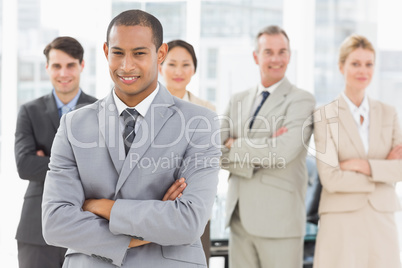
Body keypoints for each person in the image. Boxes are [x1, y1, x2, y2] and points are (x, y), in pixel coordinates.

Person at [41, 9, 221, 268]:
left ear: (160, 54)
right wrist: (142, 234)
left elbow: (189, 222)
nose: (126, 65)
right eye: (118, 53)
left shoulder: (199, 123)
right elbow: (56, 223)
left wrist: (103, 207)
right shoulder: (73, 125)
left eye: (139, 53)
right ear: (106, 52)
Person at [220, 25, 315, 268]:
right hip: (239, 217)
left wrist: (235, 144)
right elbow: (216, 151)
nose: (276, 58)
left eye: (282, 51)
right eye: (268, 52)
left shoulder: (301, 100)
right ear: (256, 56)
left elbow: (282, 152)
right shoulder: (237, 99)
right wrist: (263, 149)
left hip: (279, 222)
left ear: (289, 56)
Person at [313, 34, 402, 268]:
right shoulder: (324, 114)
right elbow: (331, 178)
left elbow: (400, 169)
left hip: (381, 220)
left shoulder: (388, 112)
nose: (363, 70)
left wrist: (363, 166)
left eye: (369, 64)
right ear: (341, 66)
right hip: (340, 222)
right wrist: (382, 172)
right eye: (355, 63)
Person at [14, 36, 97, 268]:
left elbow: (106, 168)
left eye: (70, 65)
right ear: (47, 68)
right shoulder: (29, 111)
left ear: (81, 65)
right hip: (36, 227)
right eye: (57, 66)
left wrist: (48, 161)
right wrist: (80, 166)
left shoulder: (100, 111)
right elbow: (24, 165)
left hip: (87, 225)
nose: (63, 73)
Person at [159, 39, 215, 264]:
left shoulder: (207, 111)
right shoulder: (143, 106)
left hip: (195, 208)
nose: (178, 71)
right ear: (159, 65)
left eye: (186, 64)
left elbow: (204, 164)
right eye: (172, 64)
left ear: (194, 68)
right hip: (155, 207)